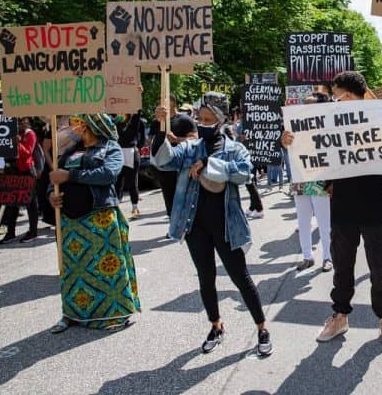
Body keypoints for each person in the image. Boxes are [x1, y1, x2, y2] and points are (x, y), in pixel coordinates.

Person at [281, 71, 382, 350]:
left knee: (378, 270)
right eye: (336, 97)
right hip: (343, 207)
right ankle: (340, 316)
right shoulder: (328, 126)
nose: (340, 101)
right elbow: (310, 157)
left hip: (374, 206)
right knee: (342, 267)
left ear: (361, 94)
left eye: (345, 96)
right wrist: (290, 143)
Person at [152, 92, 272, 357]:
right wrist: (161, 131)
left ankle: (262, 328)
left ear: (220, 120)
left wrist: (210, 164)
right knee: (206, 278)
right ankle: (216, 326)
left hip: (226, 225)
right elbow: (163, 160)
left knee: (240, 277)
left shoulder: (234, 148)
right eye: (199, 118)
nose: (202, 123)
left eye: (208, 119)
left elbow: (244, 173)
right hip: (195, 226)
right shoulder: (190, 147)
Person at [47, 114, 140, 333]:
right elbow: (55, 178)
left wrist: (70, 176)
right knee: (73, 269)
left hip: (100, 217)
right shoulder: (70, 150)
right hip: (71, 220)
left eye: (78, 123)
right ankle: (72, 313)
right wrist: (52, 194)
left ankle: (113, 314)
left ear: (91, 126)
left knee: (105, 268)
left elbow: (108, 174)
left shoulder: (111, 148)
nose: (74, 127)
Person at [292, 92, 332, 272]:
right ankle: (307, 257)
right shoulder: (294, 125)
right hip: (300, 178)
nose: (304, 108)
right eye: (303, 104)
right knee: (303, 220)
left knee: (325, 221)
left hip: (320, 178)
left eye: (309, 105)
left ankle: (328, 257)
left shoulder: (329, 127)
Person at [149, 94, 198, 218]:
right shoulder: (156, 122)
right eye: (159, 101)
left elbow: (195, 138)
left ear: (173, 103)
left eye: (164, 100)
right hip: (164, 164)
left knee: (183, 194)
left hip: (182, 163)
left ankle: (186, 224)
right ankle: (173, 224)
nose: (161, 103)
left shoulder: (184, 119)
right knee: (168, 195)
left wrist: (177, 140)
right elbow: (150, 140)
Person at [0, 117, 40, 244]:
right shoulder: (11, 134)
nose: (20, 124)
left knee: (31, 203)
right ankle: (10, 233)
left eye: (22, 122)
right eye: (18, 122)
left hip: (27, 171)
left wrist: (18, 143)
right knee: (12, 203)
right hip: (14, 171)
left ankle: (33, 232)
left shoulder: (30, 134)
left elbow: (28, 153)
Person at [115, 112, 145, 220]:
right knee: (117, 181)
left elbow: (142, 137)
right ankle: (116, 207)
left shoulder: (136, 122)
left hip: (132, 152)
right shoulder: (116, 122)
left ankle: (135, 207)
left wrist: (139, 147)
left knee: (132, 182)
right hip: (118, 153)